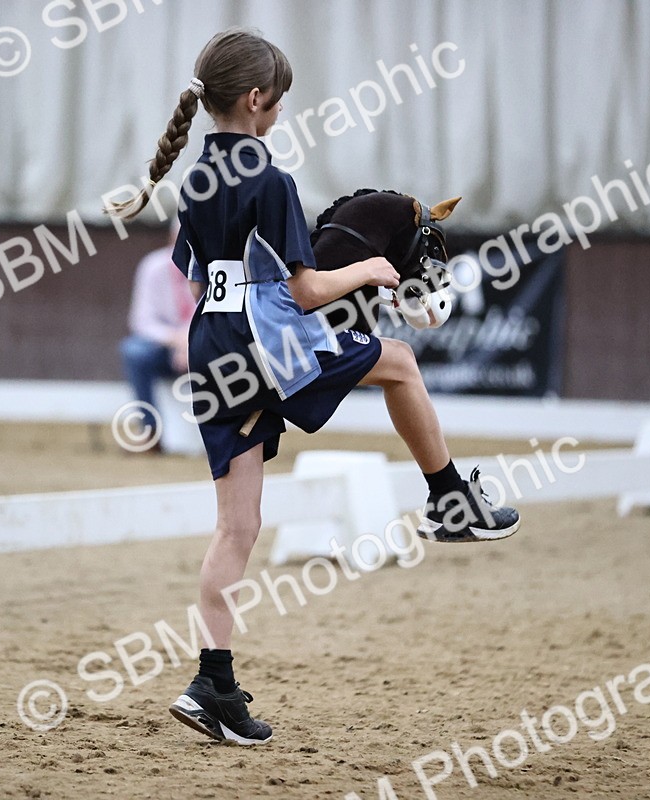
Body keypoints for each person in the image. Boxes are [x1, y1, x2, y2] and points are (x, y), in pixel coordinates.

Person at [107, 28, 520, 746]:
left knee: (237, 528)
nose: (280, 115)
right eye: (279, 104)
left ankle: (214, 682)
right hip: (266, 340)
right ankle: (451, 498)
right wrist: (369, 272)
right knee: (399, 360)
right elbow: (302, 292)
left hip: (213, 341)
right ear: (259, 100)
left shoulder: (196, 180)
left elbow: (198, 278)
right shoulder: (271, 179)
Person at [120, 222, 196, 449]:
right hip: (165, 347)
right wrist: (177, 340)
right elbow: (142, 320)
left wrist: (191, 342)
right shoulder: (153, 267)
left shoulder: (212, 269)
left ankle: (222, 430)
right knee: (133, 352)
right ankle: (149, 431)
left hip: (203, 345)